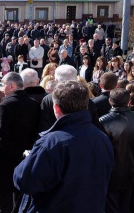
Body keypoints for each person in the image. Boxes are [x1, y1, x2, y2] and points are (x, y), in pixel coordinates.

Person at [13, 81, 114, 213]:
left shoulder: (52, 143)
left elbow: (24, 181)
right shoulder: (102, 137)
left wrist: (29, 159)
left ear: (56, 108)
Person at [0, 72, 40, 212]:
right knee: (19, 202)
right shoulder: (34, 104)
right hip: (24, 161)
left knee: (3, 204)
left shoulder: (5, 105)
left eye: (3, 85)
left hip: (4, 163)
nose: (2, 89)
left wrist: (16, 155)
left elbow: (1, 136)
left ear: (12, 86)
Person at [99, 88, 134, 213]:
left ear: (109, 101)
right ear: (128, 101)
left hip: (112, 175)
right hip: (126, 174)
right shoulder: (104, 121)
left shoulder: (103, 121)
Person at [39, 65, 101, 132]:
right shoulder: (86, 100)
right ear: (76, 80)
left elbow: (43, 128)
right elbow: (96, 127)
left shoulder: (48, 100)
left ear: (56, 81)